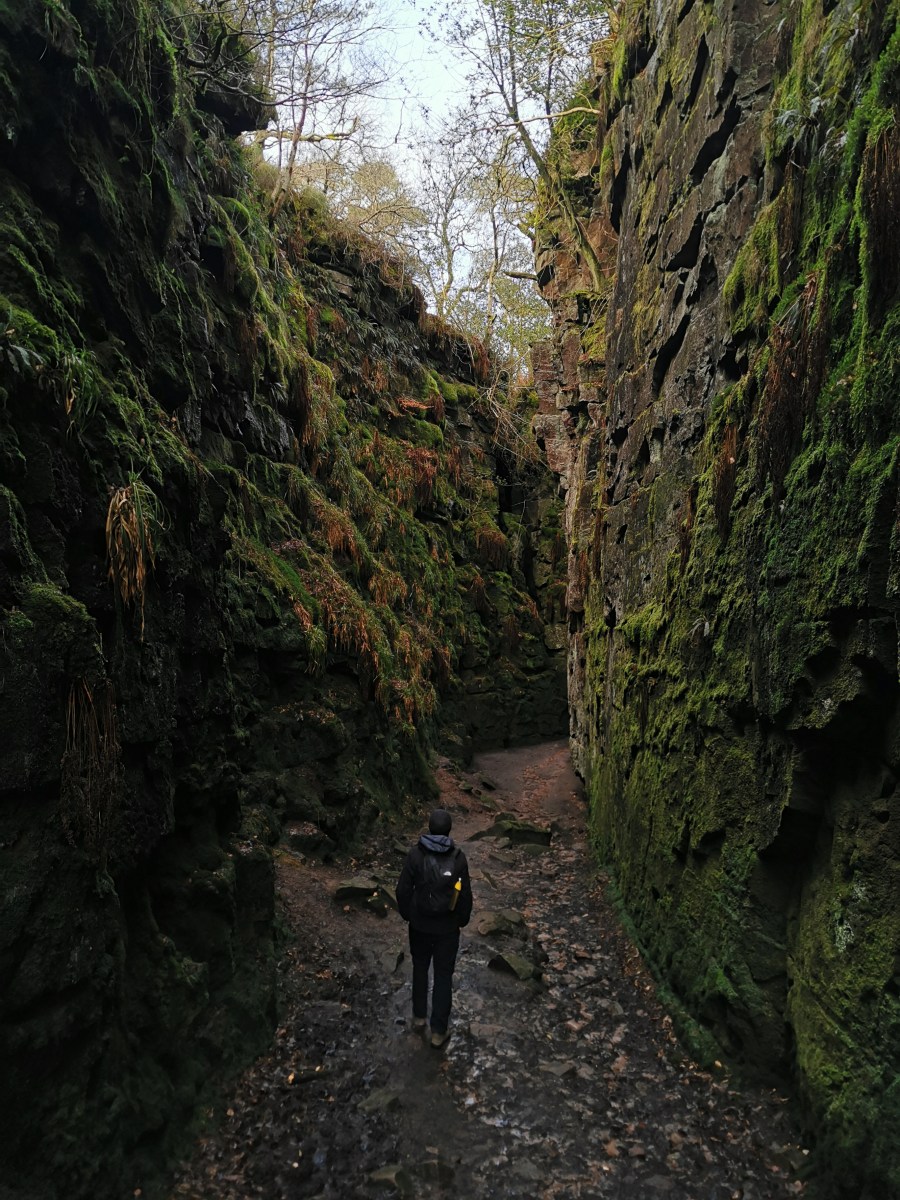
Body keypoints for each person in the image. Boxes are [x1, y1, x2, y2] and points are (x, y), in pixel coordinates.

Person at [395, 808, 473, 1047]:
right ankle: (438, 1032)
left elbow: (402, 890)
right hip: (447, 929)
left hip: (419, 925)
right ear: (449, 830)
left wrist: (409, 914)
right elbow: (465, 896)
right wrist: (461, 920)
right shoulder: (458, 858)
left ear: (429, 828)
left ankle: (419, 1017)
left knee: (419, 968)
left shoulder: (415, 855)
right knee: (442, 976)